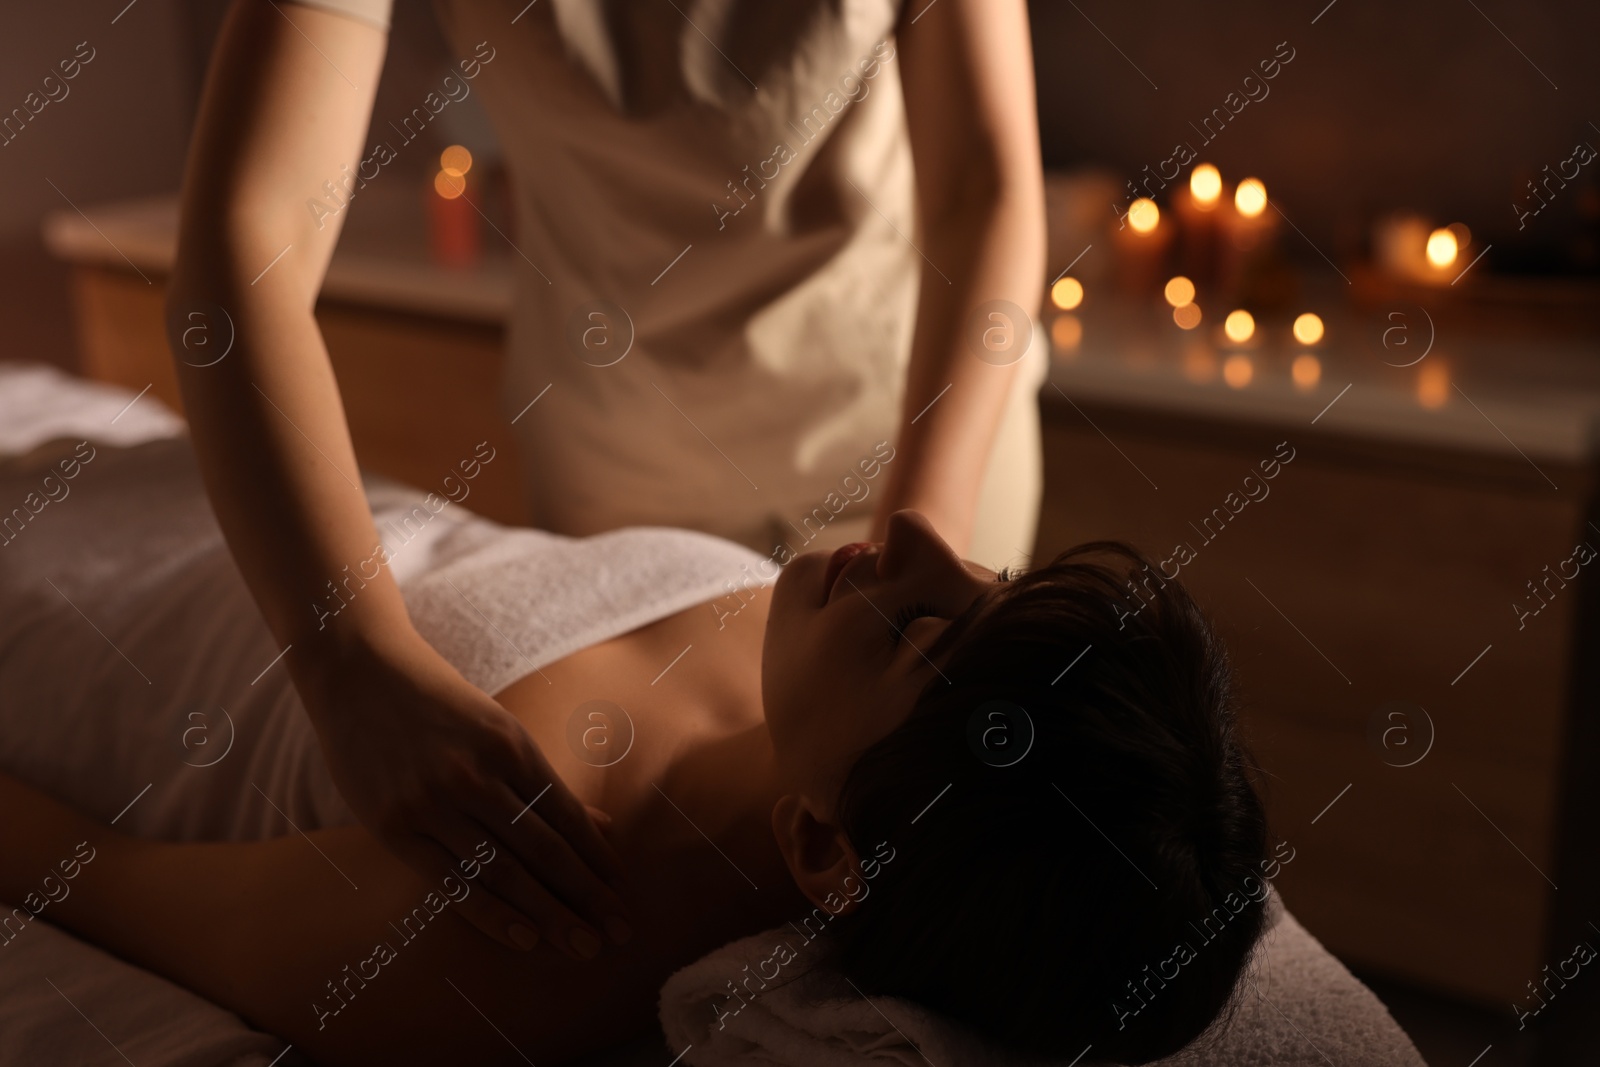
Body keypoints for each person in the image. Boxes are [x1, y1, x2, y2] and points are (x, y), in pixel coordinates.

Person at [164, 0, 1048, 954]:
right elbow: (250, 230)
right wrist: (348, 651)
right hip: (620, 470)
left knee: (924, 900)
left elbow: (981, 186)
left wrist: (912, 565)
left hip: (913, 445)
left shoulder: (918, 564)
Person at [0, 432, 1269, 1066]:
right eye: (997, 577)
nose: (920, 532)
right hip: (163, 478)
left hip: (57, 603)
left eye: (925, 630)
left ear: (826, 846)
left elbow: (79, 867)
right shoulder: (826, 677)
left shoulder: (513, 919)